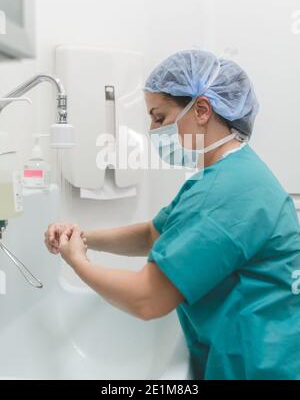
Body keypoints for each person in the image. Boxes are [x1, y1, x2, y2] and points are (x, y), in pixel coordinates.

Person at [44, 50, 300, 380]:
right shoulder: (228, 174)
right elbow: (154, 234)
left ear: (203, 110)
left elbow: (147, 300)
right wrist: (82, 238)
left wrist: (77, 261)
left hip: (257, 368)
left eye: (159, 118)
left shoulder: (223, 193)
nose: (152, 130)